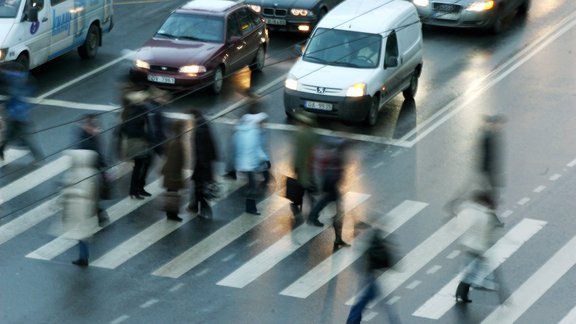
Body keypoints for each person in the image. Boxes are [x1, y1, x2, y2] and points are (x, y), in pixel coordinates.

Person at [455, 191, 504, 304]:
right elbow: (485, 233)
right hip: (477, 247)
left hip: (468, 245)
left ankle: (461, 294)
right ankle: (464, 292)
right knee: (472, 272)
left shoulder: (467, 210)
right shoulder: (483, 215)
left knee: (470, 272)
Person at [55, 150, 101, 267]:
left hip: (77, 208)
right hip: (87, 207)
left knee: (81, 233)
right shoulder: (93, 172)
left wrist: (60, 203)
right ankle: (83, 256)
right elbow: (95, 191)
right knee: (83, 233)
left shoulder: (74, 173)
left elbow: (67, 190)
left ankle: (83, 257)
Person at [347, 225, 400, 324]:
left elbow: (360, 264)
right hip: (372, 277)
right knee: (374, 299)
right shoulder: (379, 246)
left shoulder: (372, 246)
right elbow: (388, 260)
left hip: (369, 275)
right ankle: (353, 319)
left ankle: (353, 319)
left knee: (367, 298)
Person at [307, 137, 349, 248]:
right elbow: (334, 171)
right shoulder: (336, 155)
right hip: (331, 184)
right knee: (339, 210)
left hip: (329, 184)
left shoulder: (332, 153)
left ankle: (314, 215)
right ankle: (337, 237)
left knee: (332, 203)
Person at [0, 62, 44, 162]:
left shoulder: (15, 81)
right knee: (14, 135)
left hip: (16, 114)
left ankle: (36, 155)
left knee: (14, 135)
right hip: (20, 114)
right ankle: (37, 155)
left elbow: (10, 91)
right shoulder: (23, 79)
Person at [118, 89, 153, 199]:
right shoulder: (138, 111)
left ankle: (137, 189)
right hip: (137, 143)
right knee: (140, 166)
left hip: (136, 142)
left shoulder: (133, 110)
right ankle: (135, 190)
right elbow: (134, 129)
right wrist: (147, 137)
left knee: (142, 165)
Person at [234, 111, 270, 215]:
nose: (264, 124)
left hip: (243, 164)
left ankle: (250, 207)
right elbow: (257, 149)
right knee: (252, 187)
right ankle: (250, 208)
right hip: (250, 165)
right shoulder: (254, 133)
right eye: (262, 122)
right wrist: (266, 160)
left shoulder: (241, 132)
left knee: (251, 185)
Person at [76, 113, 110, 226]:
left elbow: (99, 153)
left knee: (93, 196)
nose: (98, 128)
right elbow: (90, 154)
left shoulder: (90, 136)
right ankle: (99, 216)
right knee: (92, 196)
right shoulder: (85, 138)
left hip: (95, 170)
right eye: (94, 125)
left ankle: (98, 215)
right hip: (88, 172)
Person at [188, 109, 218, 219]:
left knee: (199, 188)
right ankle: (194, 206)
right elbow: (212, 143)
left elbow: (200, 148)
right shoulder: (205, 125)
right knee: (198, 186)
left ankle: (204, 209)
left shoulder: (199, 129)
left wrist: (202, 163)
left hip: (201, 164)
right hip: (206, 163)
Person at [290, 112, 319, 219]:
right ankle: (313, 214)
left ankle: (296, 206)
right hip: (309, 167)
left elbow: (299, 153)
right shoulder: (311, 134)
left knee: (304, 189)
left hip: (305, 167)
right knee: (308, 189)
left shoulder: (302, 134)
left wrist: (296, 166)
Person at [161, 119, 187, 222]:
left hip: (169, 172)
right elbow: (176, 160)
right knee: (173, 194)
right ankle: (172, 214)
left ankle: (170, 213)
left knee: (171, 193)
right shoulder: (178, 143)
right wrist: (177, 175)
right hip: (174, 174)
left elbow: (165, 154)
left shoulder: (170, 140)